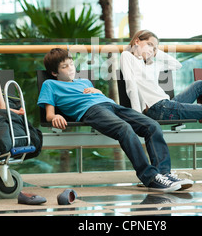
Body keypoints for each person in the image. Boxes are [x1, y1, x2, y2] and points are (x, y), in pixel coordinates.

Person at [37, 48, 193, 193]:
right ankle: (150, 178)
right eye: (65, 66)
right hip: (91, 111)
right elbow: (49, 114)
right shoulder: (50, 84)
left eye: (71, 64)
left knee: (152, 125)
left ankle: (163, 174)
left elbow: (100, 97)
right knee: (124, 129)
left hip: (111, 105)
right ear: (54, 72)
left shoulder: (84, 82)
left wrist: (97, 91)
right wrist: (55, 116)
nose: (71, 68)